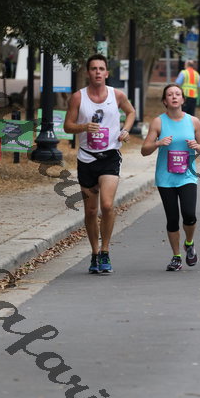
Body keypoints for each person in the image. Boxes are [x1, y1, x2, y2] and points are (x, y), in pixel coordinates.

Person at [64, 54, 136, 274]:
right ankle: (95, 253)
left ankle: (105, 251)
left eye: (101, 68)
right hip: (86, 158)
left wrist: (125, 130)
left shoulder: (117, 95)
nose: (97, 72)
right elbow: (67, 126)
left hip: (110, 157)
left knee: (106, 205)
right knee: (91, 210)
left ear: (106, 73)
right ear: (88, 73)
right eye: (94, 68)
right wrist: (84, 127)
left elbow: (131, 112)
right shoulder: (78, 97)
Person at [141, 83, 200, 271]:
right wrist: (158, 143)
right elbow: (144, 150)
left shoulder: (193, 121)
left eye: (178, 94)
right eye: (170, 94)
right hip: (166, 178)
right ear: (165, 101)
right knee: (172, 218)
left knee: (189, 215)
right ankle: (176, 256)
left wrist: (197, 147)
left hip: (187, 176)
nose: (174, 97)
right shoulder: (158, 122)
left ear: (183, 99)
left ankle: (189, 242)